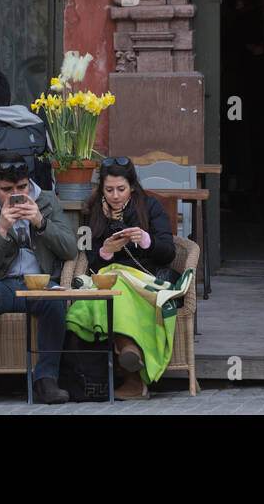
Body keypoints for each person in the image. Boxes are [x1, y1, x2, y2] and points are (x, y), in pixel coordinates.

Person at [0, 152, 75, 405]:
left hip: (37, 284)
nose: (15, 195)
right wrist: (1, 230)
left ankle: (46, 380)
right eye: (6, 189)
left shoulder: (46, 201)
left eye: (22, 187)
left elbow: (70, 249)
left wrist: (41, 223)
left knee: (55, 294)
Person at [69, 156, 177, 399]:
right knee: (98, 297)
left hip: (143, 279)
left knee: (117, 290)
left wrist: (146, 240)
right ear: (101, 189)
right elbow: (91, 259)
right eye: (109, 190)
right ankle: (122, 356)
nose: (115, 195)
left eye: (121, 189)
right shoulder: (92, 211)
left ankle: (129, 361)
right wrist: (107, 250)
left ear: (132, 186)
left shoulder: (150, 207)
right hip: (108, 277)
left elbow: (168, 252)